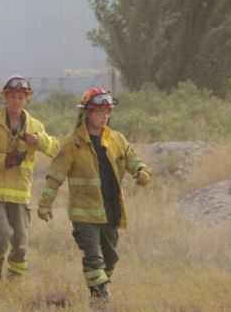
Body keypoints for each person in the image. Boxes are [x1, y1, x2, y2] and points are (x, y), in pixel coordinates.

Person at [36, 87, 152, 300]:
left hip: (110, 211)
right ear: (86, 113)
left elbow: (131, 158)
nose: (104, 116)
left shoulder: (116, 139)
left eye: (107, 111)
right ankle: (100, 296)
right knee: (93, 258)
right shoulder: (72, 143)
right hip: (84, 215)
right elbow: (55, 176)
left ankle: (98, 291)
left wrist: (141, 170)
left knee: (110, 259)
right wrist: (45, 203)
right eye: (100, 112)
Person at [0, 75, 59, 280]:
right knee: (1, 234)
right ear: (5, 98)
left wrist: (38, 140)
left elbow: (54, 148)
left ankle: (13, 285)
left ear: (26, 99)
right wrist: (5, 160)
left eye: (20, 97)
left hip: (20, 193)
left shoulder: (35, 126)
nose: (16, 101)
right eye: (12, 97)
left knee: (20, 241)